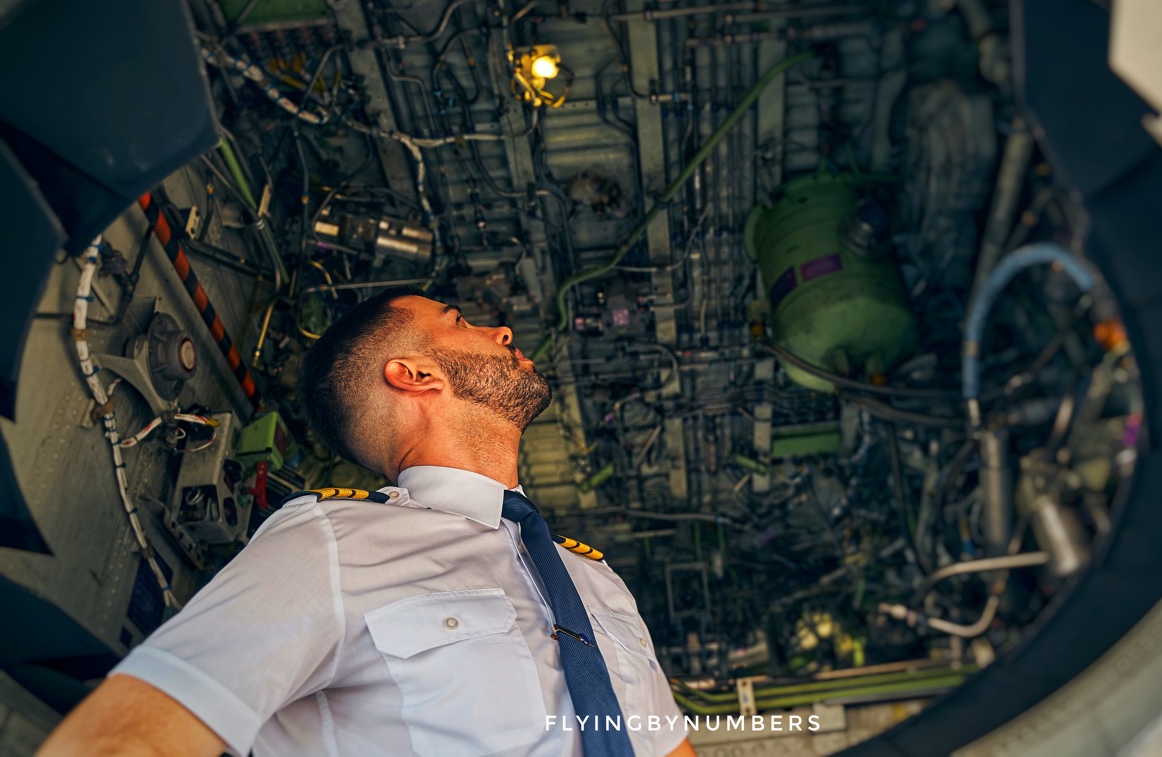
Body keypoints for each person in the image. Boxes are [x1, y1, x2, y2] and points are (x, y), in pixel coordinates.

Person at [39, 289, 698, 757]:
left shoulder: (596, 579)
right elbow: (127, 738)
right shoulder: (327, 545)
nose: (501, 331)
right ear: (413, 374)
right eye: (459, 320)